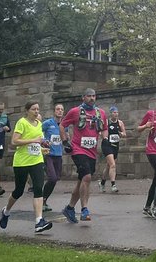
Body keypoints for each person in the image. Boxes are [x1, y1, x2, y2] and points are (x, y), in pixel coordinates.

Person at [0, 101, 54, 234]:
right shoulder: (22, 123)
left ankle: (39, 221)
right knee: (19, 191)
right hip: (22, 162)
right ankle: (6, 211)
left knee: (38, 188)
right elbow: (14, 141)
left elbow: (38, 142)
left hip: (36, 161)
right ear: (27, 110)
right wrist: (33, 140)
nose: (36, 111)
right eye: (34, 109)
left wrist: (43, 147)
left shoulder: (39, 124)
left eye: (38, 109)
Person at [61, 89, 107, 223]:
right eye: (89, 96)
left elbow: (104, 128)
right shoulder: (75, 111)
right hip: (78, 149)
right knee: (87, 177)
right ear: (83, 97)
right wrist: (65, 142)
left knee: (82, 180)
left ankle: (70, 208)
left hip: (92, 151)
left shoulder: (101, 113)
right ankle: (84, 209)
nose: (92, 98)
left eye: (94, 96)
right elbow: (62, 125)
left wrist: (105, 139)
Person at [40, 104, 67, 212]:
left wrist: (67, 138)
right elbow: (39, 131)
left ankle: (44, 200)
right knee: (52, 178)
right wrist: (43, 140)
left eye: (62, 109)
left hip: (58, 155)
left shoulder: (64, 125)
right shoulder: (47, 123)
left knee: (55, 179)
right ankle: (41, 200)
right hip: (48, 154)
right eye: (58, 109)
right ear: (54, 111)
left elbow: (65, 137)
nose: (60, 111)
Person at [99, 106, 126, 193]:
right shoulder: (106, 122)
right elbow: (101, 132)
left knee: (109, 166)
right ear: (110, 113)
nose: (116, 114)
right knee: (113, 165)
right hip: (107, 145)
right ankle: (113, 185)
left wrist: (121, 134)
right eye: (114, 112)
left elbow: (124, 133)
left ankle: (102, 183)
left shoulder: (120, 123)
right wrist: (104, 136)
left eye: (117, 112)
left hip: (115, 146)